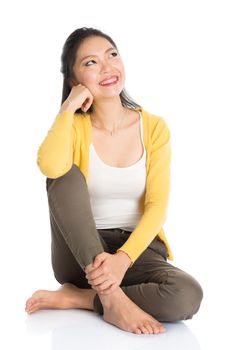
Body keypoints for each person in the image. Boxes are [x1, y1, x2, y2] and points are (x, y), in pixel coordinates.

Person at [25, 27, 203, 335]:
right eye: (91, 63)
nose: (107, 68)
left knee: (187, 294)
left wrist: (122, 260)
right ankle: (112, 300)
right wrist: (68, 108)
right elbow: (49, 166)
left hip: (135, 253)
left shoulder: (154, 127)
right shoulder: (76, 128)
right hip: (79, 255)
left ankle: (82, 297)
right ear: (74, 80)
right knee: (63, 173)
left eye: (112, 55)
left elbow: (157, 206)